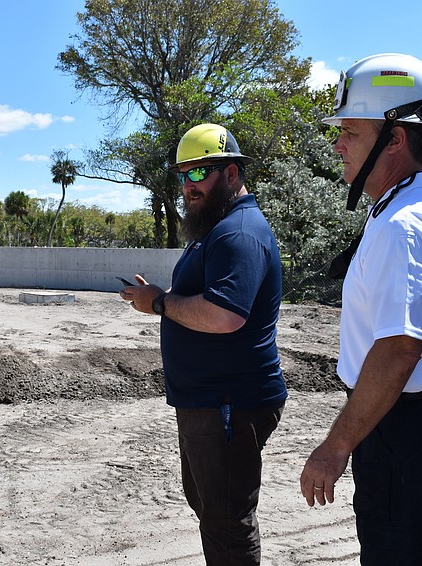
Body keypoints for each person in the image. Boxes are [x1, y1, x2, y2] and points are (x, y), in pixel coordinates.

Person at [299, 53, 422, 565]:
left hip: (410, 432)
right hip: (414, 426)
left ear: (395, 139)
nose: (338, 147)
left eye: (350, 132)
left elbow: (399, 349)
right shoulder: (406, 212)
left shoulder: (405, 226)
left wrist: (334, 448)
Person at [120, 123, 287, 565]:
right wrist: (156, 297)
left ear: (232, 173)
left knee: (228, 521)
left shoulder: (237, 233)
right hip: (211, 402)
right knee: (214, 513)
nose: (188, 187)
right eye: (183, 176)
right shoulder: (217, 230)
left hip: (228, 402)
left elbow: (224, 314)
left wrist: (157, 302)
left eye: (200, 174)